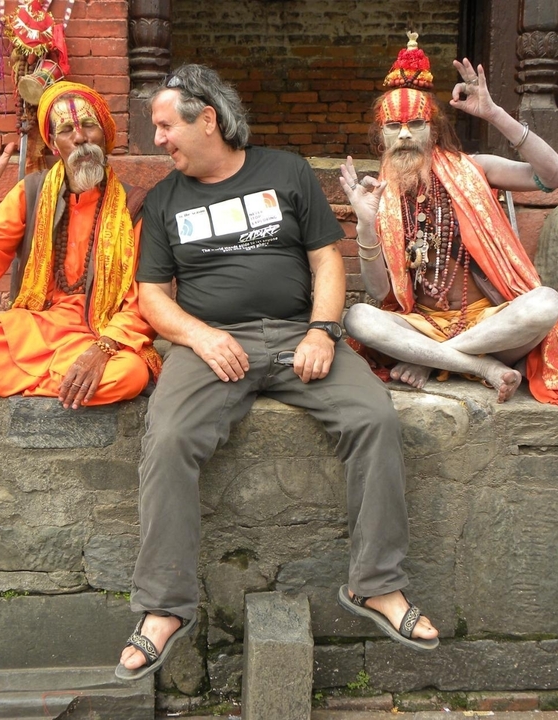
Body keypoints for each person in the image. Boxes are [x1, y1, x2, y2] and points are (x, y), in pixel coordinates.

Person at [114, 64, 439, 682]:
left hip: (299, 333)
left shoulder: (285, 172)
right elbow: (152, 297)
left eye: (163, 126)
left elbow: (327, 260)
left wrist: (324, 329)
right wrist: (202, 336)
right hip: (209, 347)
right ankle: (164, 607)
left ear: (206, 119)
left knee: (373, 418)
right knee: (170, 438)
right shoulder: (162, 202)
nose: (157, 139)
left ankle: (376, 585)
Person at [340, 33, 558, 418]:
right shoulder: (379, 195)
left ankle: (433, 361)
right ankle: (478, 365)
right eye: (392, 126)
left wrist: (494, 113)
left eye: (415, 124)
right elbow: (381, 293)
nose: (403, 135)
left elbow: (557, 174)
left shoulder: (477, 167)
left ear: (434, 129)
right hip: (422, 326)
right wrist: (366, 224)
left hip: (491, 323)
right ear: (379, 136)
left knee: (547, 303)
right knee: (358, 318)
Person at [0, 81, 160, 408]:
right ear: (53, 145)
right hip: (32, 330)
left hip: (96, 336)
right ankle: (56, 383)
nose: (80, 137)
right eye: (66, 130)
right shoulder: (30, 193)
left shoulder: (134, 206)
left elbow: (143, 301)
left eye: (89, 125)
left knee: (130, 375)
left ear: (105, 135)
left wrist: (102, 349)